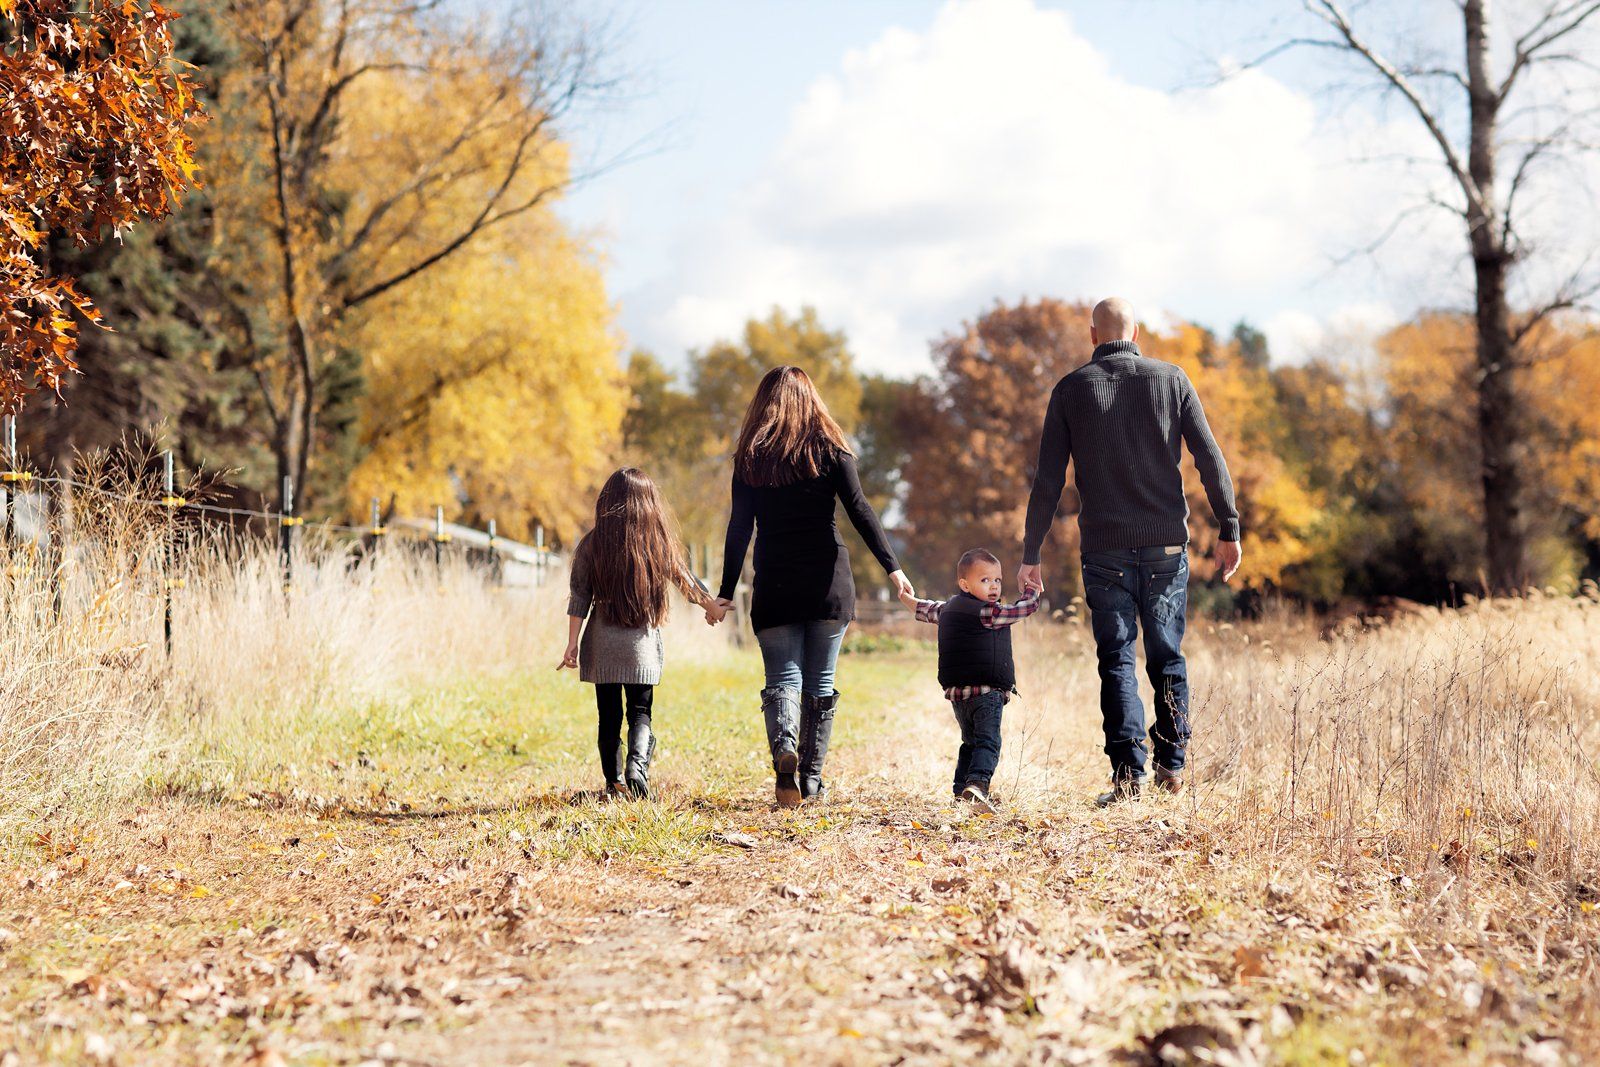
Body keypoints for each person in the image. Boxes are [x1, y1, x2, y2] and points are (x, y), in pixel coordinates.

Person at [1018, 297, 1242, 807]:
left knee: (1116, 658)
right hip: (1166, 545)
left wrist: (1031, 553)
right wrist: (1229, 527)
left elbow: (1048, 480)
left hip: (1105, 551)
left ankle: (1127, 778)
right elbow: (1209, 456)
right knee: (1166, 656)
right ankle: (1173, 767)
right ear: (1135, 334)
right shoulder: (1172, 379)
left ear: (1093, 334)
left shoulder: (1071, 390)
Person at [710, 366, 914, 808]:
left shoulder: (750, 458)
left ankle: (785, 760)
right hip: (829, 582)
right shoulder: (831, 450)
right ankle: (812, 781)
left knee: (783, 677)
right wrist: (893, 569)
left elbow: (739, 528)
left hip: (776, 582)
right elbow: (861, 511)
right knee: (820, 682)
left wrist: (725, 591)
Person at [560, 467, 722, 799]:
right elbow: (684, 580)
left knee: (608, 715)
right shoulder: (656, 541)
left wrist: (571, 644)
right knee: (640, 711)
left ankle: (614, 782)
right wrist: (710, 605)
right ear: (648, 504)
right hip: (641, 645)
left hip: (602, 644)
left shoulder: (592, 543)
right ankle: (637, 767)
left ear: (608, 501)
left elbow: (579, 597)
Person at [897, 547, 1041, 814]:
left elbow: (923, 608)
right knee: (988, 741)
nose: (994, 586)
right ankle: (977, 785)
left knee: (970, 743)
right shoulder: (988, 613)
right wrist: (1032, 590)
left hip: (958, 697)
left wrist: (907, 598)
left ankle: (960, 791)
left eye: (997, 580)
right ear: (965, 584)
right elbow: (1022, 610)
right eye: (985, 580)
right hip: (986, 694)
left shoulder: (948, 609)